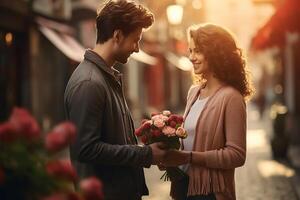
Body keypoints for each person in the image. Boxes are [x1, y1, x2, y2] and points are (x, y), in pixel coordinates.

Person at [64, 1, 165, 200]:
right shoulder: (89, 83)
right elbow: (86, 149)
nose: (137, 49)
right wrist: (145, 154)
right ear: (117, 35)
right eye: (136, 40)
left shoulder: (105, 77)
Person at [161, 24, 254, 200]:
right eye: (190, 51)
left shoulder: (231, 97)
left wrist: (188, 157)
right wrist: (169, 154)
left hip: (211, 192)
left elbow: (237, 155)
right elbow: (189, 141)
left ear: (215, 53)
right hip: (182, 186)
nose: (191, 57)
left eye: (197, 51)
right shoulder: (193, 92)